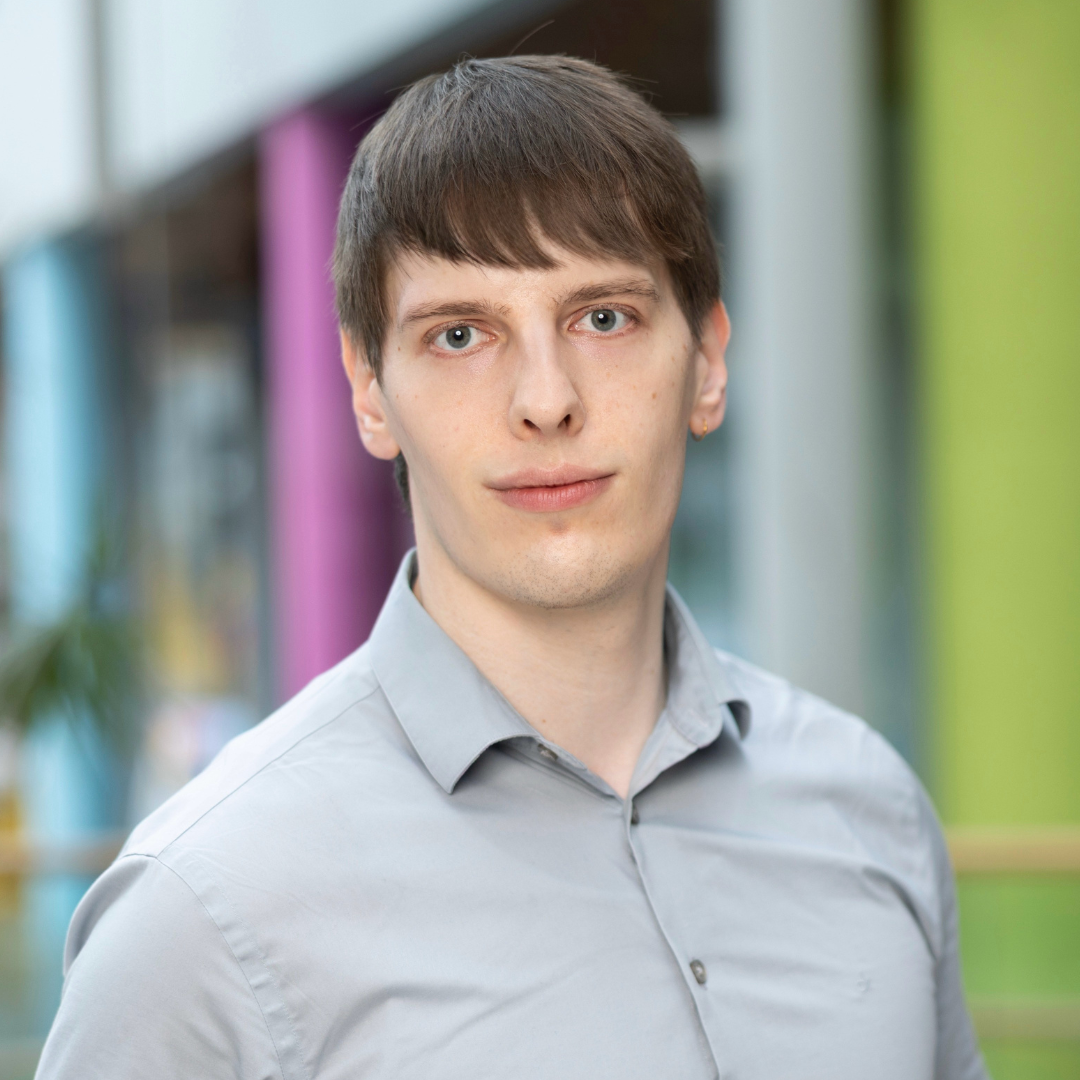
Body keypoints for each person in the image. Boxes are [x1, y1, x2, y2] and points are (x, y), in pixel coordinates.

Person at [36, 56, 986, 1079]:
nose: (546, 398)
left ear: (708, 361)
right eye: (460, 335)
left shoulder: (868, 808)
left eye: (604, 318)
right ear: (369, 392)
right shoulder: (200, 916)